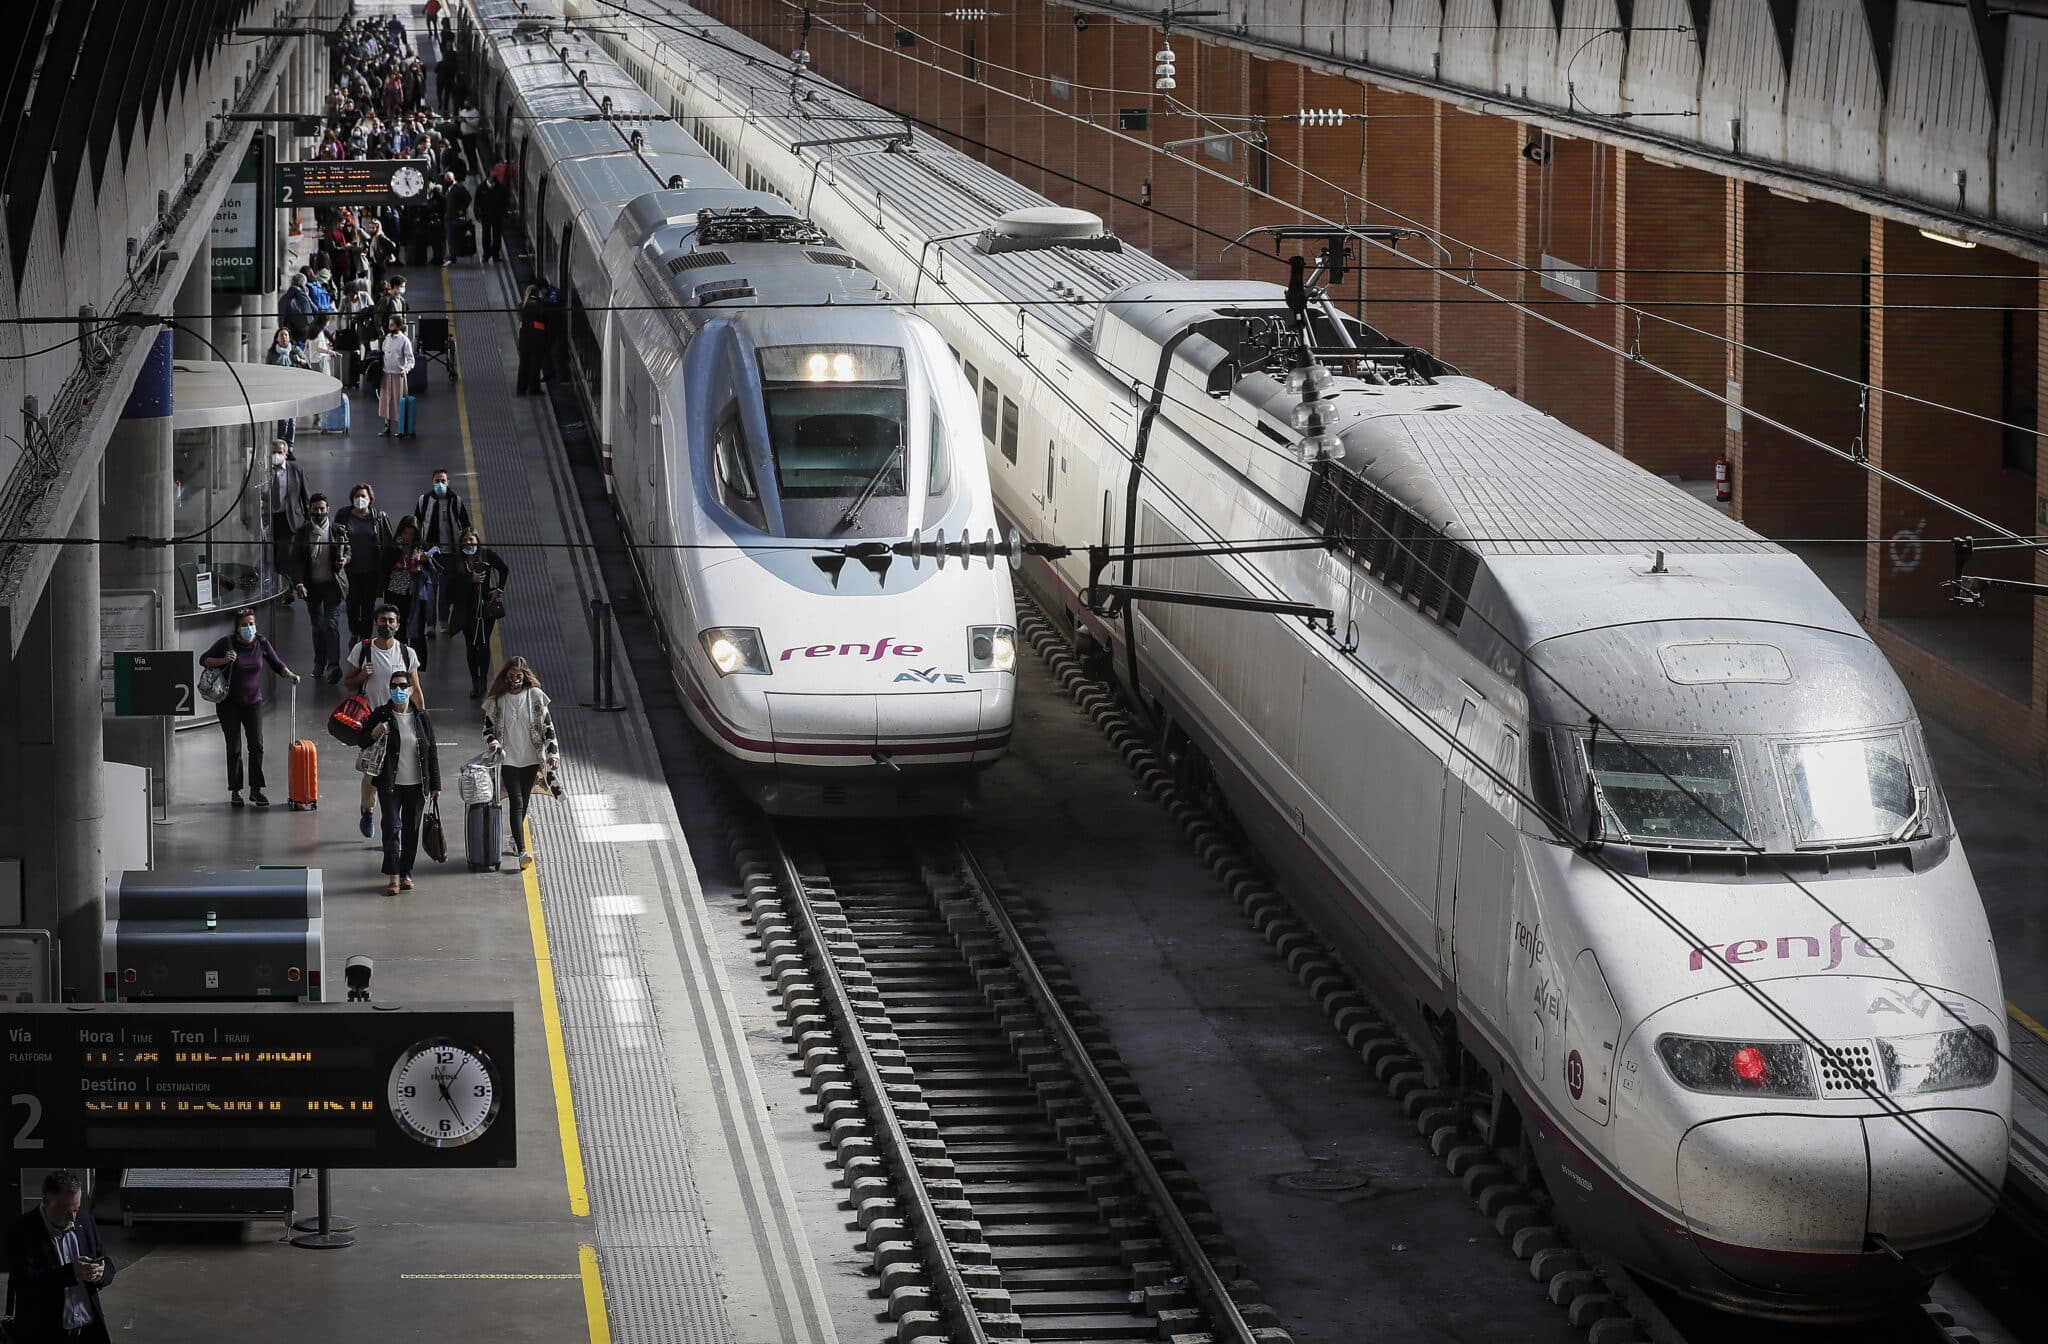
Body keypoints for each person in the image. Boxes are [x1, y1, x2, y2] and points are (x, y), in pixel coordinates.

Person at [199, 607, 301, 808]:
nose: (249, 628)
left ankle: (256, 789)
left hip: (253, 702)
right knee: (234, 746)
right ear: (237, 628)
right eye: (244, 625)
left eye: (251, 624)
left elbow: (276, 663)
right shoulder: (226, 644)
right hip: (229, 704)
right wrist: (224, 660)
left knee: (256, 746)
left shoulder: (261, 643)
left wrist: (290, 675)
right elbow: (204, 660)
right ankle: (236, 791)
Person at [8, 1170, 118, 1344]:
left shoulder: (85, 1220)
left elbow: (108, 1264)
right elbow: (24, 1282)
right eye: (65, 1211)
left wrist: (100, 1274)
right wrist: (71, 1272)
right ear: (45, 1202)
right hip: (45, 1334)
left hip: (89, 1331)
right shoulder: (21, 1230)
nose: (73, 1217)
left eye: (76, 1208)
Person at [345, 605, 425, 838]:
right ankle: (368, 809)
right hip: (373, 722)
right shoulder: (362, 650)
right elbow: (348, 683)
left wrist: (422, 720)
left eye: (391, 620)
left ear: (398, 625)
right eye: (382, 620)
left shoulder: (407, 653)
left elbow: (416, 689)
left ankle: (391, 826)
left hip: (402, 721)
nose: (386, 624)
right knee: (372, 772)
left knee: (398, 773)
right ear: (375, 623)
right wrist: (362, 676)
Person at [363, 668, 440, 895]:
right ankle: (394, 875)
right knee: (392, 827)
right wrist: (376, 731)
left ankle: (406, 871)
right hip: (390, 785)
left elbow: (432, 751)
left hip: (417, 785)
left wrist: (436, 784)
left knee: (411, 830)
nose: (398, 690)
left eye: (402, 686)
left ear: (411, 690)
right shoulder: (381, 715)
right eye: (394, 686)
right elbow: (361, 739)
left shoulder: (421, 718)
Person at [481, 657, 557, 867]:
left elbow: (548, 727)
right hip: (508, 759)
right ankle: (523, 851)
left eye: (519, 676)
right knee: (517, 802)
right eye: (511, 676)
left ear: (524, 676)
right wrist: (494, 743)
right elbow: (487, 729)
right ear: (505, 677)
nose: (515, 680)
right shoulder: (497, 701)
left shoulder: (535, 696)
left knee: (523, 801)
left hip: (531, 758)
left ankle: (515, 840)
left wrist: (553, 754)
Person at [292, 493, 351, 683]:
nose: (318, 512)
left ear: (328, 509)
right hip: (312, 587)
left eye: (322, 509)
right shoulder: (303, 533)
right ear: (310, 510)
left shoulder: (337, 531)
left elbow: (348, 550)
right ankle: (320, 662)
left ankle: (333, 665)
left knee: (331, 624)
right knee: (317, 626)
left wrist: (345, 560)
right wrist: (299, 583)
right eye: (315, 509)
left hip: (332, 586)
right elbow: (296, 561)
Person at [448, 528, 510, 697]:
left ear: (477, 540)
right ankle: (474, 680)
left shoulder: (486, 555)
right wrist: (470, 580)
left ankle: (483, 681)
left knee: (483, 643)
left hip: (484, 610)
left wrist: (499, 589)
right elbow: (451, 586)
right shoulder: (456, 560)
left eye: (471, 540)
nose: (469, 543)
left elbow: (504, 569)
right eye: (466, 540)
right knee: (470, 645)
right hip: (466, 609)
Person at [415, 469, 472, 632]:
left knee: (445, 590)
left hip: (450, 554)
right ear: (432, 482)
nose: (440, 484)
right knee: (430, 591)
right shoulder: (423, 500)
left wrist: (465, 547)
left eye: (443, 481)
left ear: (448, 482)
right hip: (430, 555)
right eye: (437, 481)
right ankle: (430, 624)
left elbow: (466, 525)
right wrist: (419, 549)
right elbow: (416, 523)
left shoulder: (456, 501)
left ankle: (443, 622)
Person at [341, 483, 394, 641]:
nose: (360, 499)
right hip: (350, 570)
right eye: (357, 496)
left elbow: (388, 543)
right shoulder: (344, 515)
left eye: (363, 496)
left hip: (371, 571)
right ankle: (354, 632)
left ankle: (365, 639)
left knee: (368, 607)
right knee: (351, 605)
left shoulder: (379, 517)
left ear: (370, 499)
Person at [263, 440, 310, 603]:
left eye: (280, 452)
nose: (276, 455)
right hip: (270, 518)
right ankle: (274, 586)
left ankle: (286, 590)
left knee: (285, 555)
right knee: (271, 555)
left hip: (289, 519)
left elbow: (305, 496)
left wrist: (308, 520)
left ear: (286, 454)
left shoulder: (296, 470)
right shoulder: (262, 472)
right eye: (273, 452)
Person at [382, 514, 429, 641]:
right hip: (396, 592)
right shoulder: (393, 548)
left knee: (417, 631)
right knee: (398, 630)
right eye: (405, 533)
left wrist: (423, 561)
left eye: (411, 534)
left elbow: (428, 572)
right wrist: (396, 550)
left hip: (415, 594)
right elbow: (385, 567)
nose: (408, 537)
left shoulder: (420, 549)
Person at [265, 327, 311, 444]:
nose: (284, 337)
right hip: (279, 389)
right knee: (283, 418)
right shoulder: (272, 353)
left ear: (289, 338)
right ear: (277, 338)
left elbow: (308, 365)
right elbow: (266, 371)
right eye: (281, 335)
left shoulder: (295, 350)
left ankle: (289, 447)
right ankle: (281, 444)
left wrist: (300, 360)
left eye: (286, 335)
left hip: (293, 388)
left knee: (291, 419)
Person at [378, 314, 414, 437]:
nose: (390, 327)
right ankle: (387, 426)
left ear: (398, 326)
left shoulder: (404, 341)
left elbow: (411, 360)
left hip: (399, 376)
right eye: (389, 325)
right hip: (386, 374)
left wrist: (405, 370)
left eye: (392, 325)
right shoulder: (387, 338)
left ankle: (401, 428)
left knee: (399, 402)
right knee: (386, 401)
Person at [515, 284, 549, 394]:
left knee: (523, 364)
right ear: (537, 292)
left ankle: (521, 388)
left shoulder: (522, 304)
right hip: (536, 339)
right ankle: (534, 389)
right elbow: (544, 317)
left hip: (524, 339)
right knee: (535, 365)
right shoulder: (539, 303)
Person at [474, 166, 509, 262]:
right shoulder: (481, 188)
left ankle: (495, 255)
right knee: (486, 235)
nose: (495, 174)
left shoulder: (501, 188)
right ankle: (486, 254)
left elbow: (504, 202)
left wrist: (504, 214)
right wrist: (477, 214)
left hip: (497, 216)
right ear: (489, 174)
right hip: (485, 216)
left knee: (497, 236)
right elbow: (476, 202)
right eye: (493, 171)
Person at [442, 171, 472, 266]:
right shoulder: (447, 189)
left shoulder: (459, 188)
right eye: (446, 179)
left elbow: (468, 198)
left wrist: (462, 209)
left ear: (453, 178)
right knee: (450, 238)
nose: (447, 180)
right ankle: (452, 256)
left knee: (455, 237)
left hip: (456, 217)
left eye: (449, 179)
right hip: (448, 216)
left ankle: (455, 255)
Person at [457, 97, 484, 174]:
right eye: (465, 103)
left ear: (471, 104)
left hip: (471, 135)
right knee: (467, 152)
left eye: (467, 103)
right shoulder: (463, 111)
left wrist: (466, 120)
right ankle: (470, 168)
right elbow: (460, 120)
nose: (466, 105)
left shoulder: (475, 113)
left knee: (471, 152)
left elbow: (475, 124)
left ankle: (474, 168)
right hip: (464, 135)